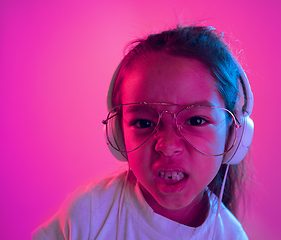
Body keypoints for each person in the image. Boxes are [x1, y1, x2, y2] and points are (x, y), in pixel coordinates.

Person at [32, 25, 254, 240]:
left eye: (196, 120)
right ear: (118, 134)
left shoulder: (230, 236)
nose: (167, 147)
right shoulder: (88, 214)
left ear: (234, 136)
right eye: (144, 123)